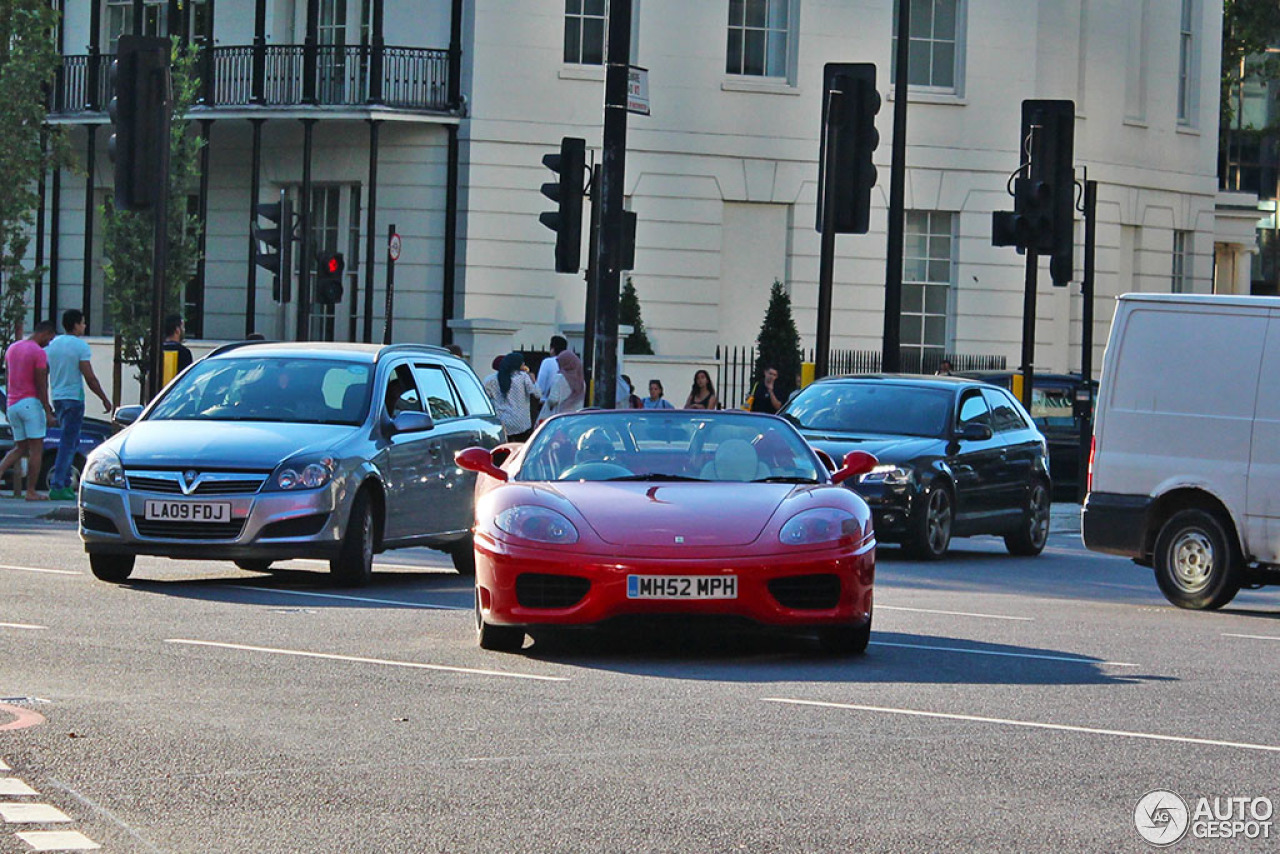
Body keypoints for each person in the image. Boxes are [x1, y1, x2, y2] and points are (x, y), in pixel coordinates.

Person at [45, 310, 113, 501]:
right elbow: (89, 376)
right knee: (69, 443)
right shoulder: (80, 347)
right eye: (83, 323)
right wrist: (104, 398)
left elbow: (45, 369)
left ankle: (63, 481)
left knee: (69, 442)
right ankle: (59, 485)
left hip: (57, 397)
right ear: (75, 325)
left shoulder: (53, 345)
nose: (84, 326)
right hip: (74, 398)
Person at [0, 321, 58, 500]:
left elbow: (8, 378)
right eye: (50, 338)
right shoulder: (38, 353)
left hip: (13, 404)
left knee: (19, 448)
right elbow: (41, 384)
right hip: (30, 404)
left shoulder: (12, 349)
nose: (49, 343)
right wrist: (47, 410)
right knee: (36, 449)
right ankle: (31, 490)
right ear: (46, 333)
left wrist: (9, 403)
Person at [483, 351, 541, 442]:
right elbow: (537, 394)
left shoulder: (490, 380)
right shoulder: (523, 377)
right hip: (521, 423)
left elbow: (485, 399)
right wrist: (534, 381)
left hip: (502, 422)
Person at [539, 350, 586, 422]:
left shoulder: (560, 378)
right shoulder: (582, 382)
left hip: (559, 418)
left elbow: (553, 400)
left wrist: (546, 401)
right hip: (575, 418)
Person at [161, 314, 193, 384]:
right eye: (183, 327)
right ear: (177, 330)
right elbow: (187, 381)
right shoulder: (184, 353)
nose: (184, 330)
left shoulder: (157, 351)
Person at [536, 334, 568, 400]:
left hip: (547, 402)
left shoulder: (547, 362)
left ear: (552, 349)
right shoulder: (569, 363)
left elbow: (540, 388)